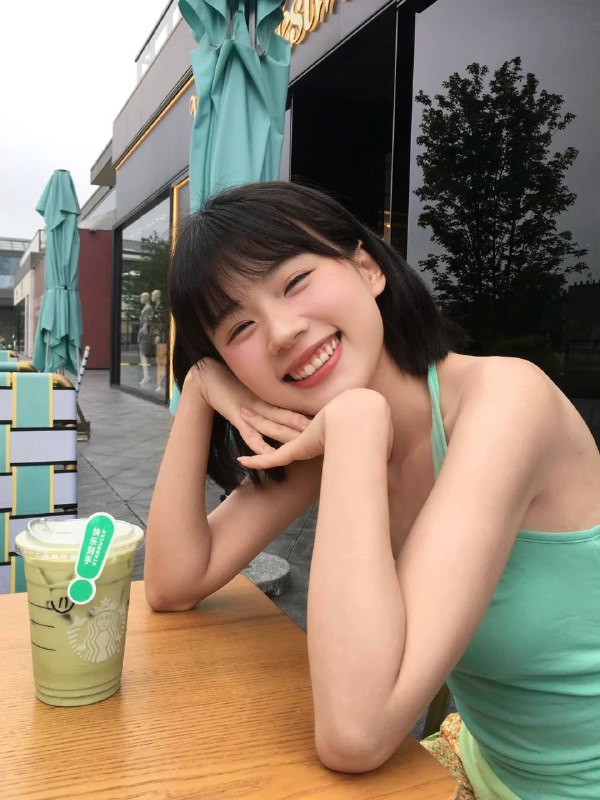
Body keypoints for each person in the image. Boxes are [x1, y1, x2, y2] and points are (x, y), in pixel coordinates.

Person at [145, 182, 600, 799]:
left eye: (295, 281)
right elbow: (174, 582)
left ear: (366, 268)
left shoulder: (507, 402)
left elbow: (356, 734)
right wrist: (200, 384)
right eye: (239, 328)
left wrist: (357, 420)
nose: (280, 332)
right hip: (481, 769)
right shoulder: (332, 436)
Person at [138, 292, 154, 387]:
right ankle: (146, 375)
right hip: (143, 335)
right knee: (142, 355)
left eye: (141, 297)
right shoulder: (146, 308)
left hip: (145, 335)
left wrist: (143, 329)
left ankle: (146, 376)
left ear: (145, 298)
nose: (140, 299)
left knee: (143, 355)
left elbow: (147, 321)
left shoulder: (148, 308)